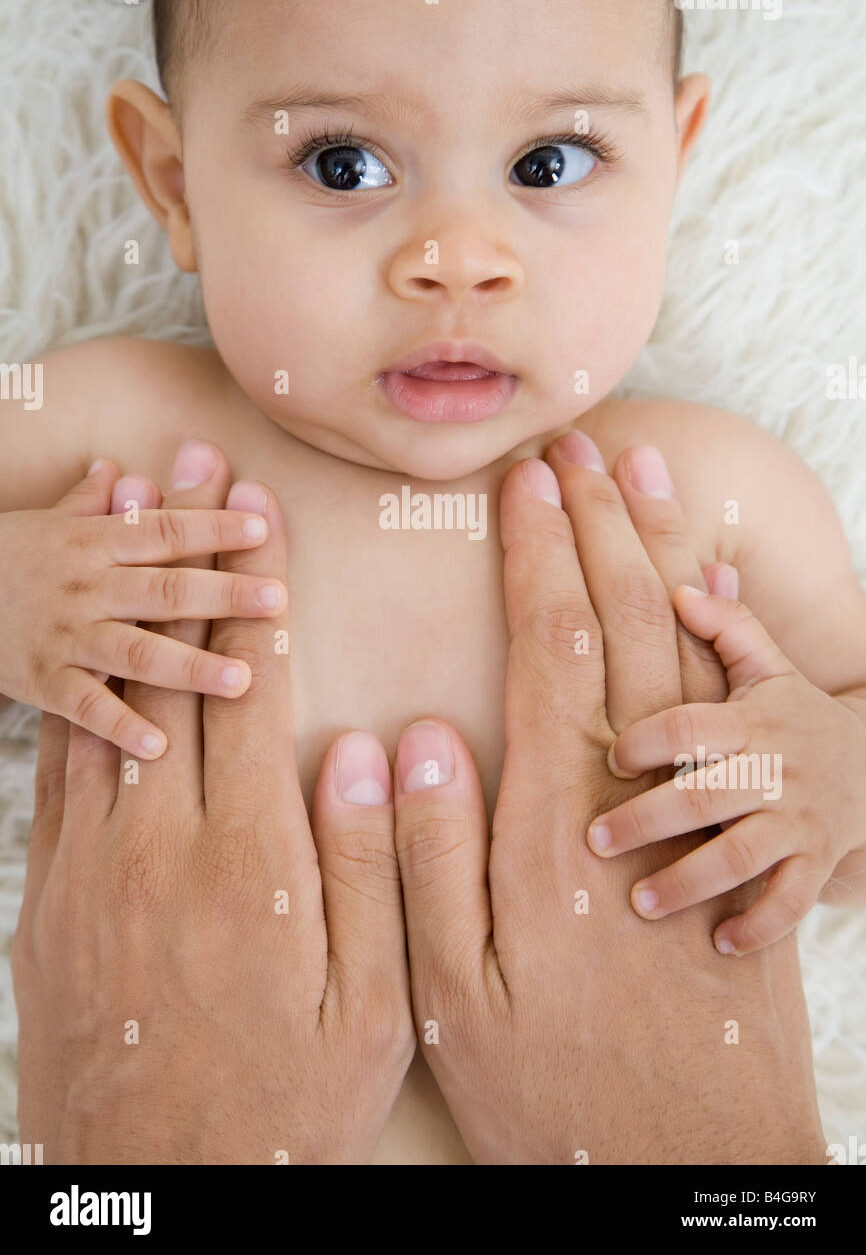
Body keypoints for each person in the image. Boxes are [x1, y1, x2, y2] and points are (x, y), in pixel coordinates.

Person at [12, 446, 825, 1163]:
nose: (461, 267)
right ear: (185, 257)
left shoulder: (716, 475)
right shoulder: (113, 428)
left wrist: (823, 775)